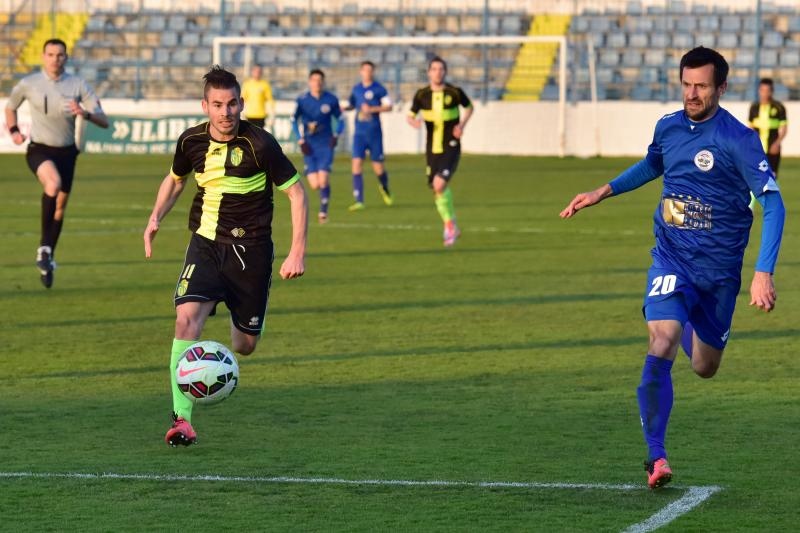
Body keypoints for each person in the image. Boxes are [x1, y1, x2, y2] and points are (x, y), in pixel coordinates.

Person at [560, 47, 785, 489]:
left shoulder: (738, 139)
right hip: (672, 257)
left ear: (721, 87)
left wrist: (763, 271)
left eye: (702, 85)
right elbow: (653, 164)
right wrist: (602, 191)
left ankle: (695, 323)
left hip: (718, 273)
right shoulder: (668, 127)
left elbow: (774, 204)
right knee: (662, 340)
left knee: (704, 365)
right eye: (686, 84)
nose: (692, 93)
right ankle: (656, 457)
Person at [143, 66, 308, 447]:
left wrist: (297, 251)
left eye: (232, 103)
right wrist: (155, 217)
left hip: (251, 251)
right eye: (217, 104)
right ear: (205, 105)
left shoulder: (261, 145)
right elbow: (176, 180)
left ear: (241, 103)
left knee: (243, 346)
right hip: (205, 243)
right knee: (186, 321)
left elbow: (297, 193)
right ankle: (181, 420)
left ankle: (246, 321)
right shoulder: (191, 142)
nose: (226, 112)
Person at [5, 38, 109, 288]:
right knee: (53, 184)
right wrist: (14, 131)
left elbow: (104, 120)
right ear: (43, 56)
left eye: (60, 55)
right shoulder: (29, 83)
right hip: (39, 149)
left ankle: (48, 254)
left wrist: (84, 113)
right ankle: (43, 248)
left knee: (60, 207)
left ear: (66, 57)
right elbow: (10, 108)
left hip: (67, 153)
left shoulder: (77, 84)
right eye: (51, 54)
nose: (55, 59)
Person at [407, 56, 473, 247]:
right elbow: (410, 116)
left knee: (438, 185)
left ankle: (450, 227)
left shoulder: (454, 92)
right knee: (437, 191)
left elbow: (469, 107)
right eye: (434, 69)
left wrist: (461, 125)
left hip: (451, 145)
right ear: (428, 72)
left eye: (441, 69)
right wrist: (414, 122)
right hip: (432, 149)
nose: (438, 72)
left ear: (445, 72)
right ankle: (451, 224)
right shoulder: (421, 95)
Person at [292, 69, 344, 223]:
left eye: (320, 80)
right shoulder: (302, 100)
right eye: (314, 80)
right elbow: (293, 120)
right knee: (314, 184)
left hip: (325, 144)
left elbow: (340, 119)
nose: (317, 83)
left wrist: (336, 135)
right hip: (309, 145)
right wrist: (300, 140)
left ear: (323, 82)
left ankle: (323, 212)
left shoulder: (331, 99)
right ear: (310, 82)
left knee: (323, 180)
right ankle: (322, 205)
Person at [345, 60, 393, 211]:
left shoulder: (379, 89)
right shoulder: (356, 89)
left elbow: (389, 106)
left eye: (370, 70)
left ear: (373, 72)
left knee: (378, 167)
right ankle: (359, 200)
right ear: (361, 72)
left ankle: (384, 186)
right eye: (365, 70)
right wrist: (344, 108)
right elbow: (352, 104)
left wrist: (372, 109)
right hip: (359, 133)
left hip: (374, 133)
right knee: (356, 164)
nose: (367, 73)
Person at [748, 78, 787, 176]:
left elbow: (784, 128)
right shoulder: (754, 107)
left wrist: (777, 143)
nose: (765, 93)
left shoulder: (779, 107)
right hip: (758, 148)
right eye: (762, 90)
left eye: (768, 91)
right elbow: (751, 128)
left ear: (772, 91)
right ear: (759, 91)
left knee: (772, 176)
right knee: (758, 176)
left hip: (773, 147)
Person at [241, 64, 275, 131]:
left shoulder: (265, 84)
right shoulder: (247, 84)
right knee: (249, 135)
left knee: (259, 136)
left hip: (261, 115)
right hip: (249, 115)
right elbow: (243, 99)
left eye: (259, 71)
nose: (257, 73)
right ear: (252, 72)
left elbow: (270, 100)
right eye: (256, 71)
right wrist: (241, 113)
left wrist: (272, 114)